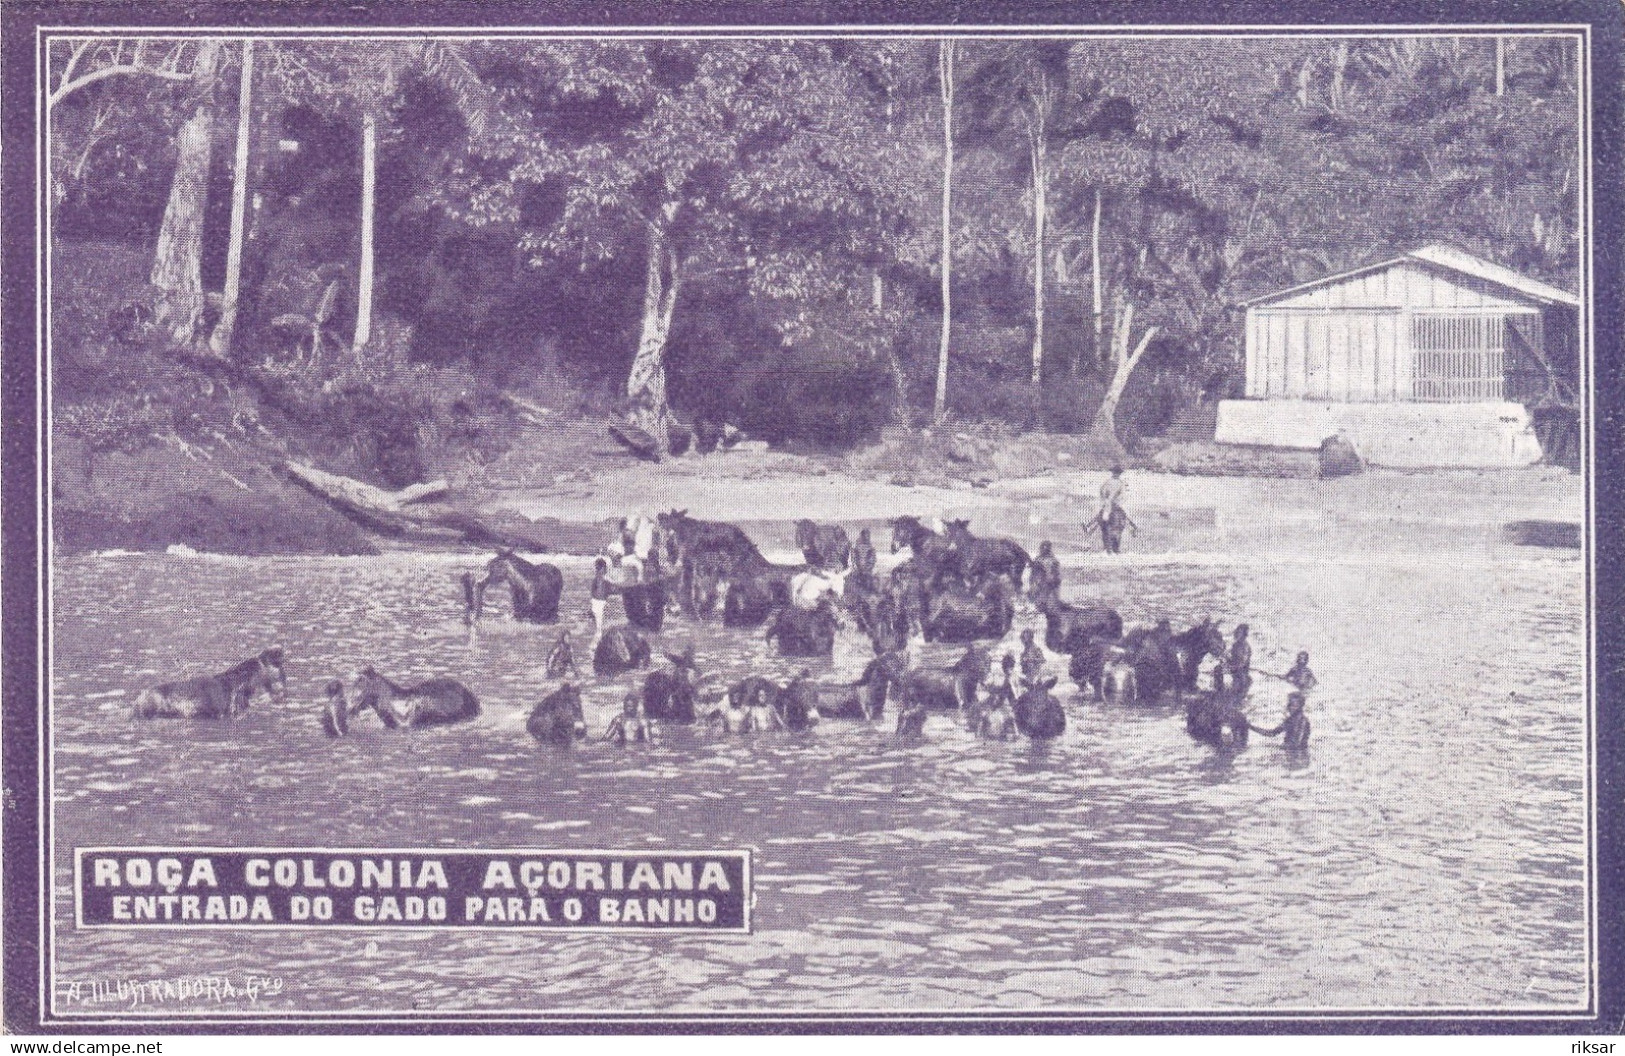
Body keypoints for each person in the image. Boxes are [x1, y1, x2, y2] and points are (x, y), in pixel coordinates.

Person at [589, 558, 615, 644]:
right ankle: (599, 640)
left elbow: (593, 591)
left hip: (599, 602)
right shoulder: (601, 579)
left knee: (599, 624)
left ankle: (598, 640)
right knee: (599, 624)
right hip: (598, 602)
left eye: (597, 568)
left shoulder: (600, 579)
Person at [850, 528, 877, 595]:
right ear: (862, 536)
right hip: (858, 569)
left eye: (868, 536)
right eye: (865, 535)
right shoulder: (857, 547)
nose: (866, 537)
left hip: (867, 570)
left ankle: (869, 592)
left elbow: (872, 560)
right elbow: (853, 558)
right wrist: (857, 567)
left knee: (869, 581)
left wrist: (867, 568)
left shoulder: (871, 548)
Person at [1228, 624, 1253, 698]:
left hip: (1241, 670)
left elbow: (1243, 661)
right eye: (1237, 632)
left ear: (1243, 635)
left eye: (1239, 632)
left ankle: (1241, 691)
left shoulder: (1245, 646)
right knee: (1218, 669)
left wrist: (1234, 666)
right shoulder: (1235, 644)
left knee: (1240, 681)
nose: (1236, 634)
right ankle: (1219, 690)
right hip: (1233, 666)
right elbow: (1232, 657)